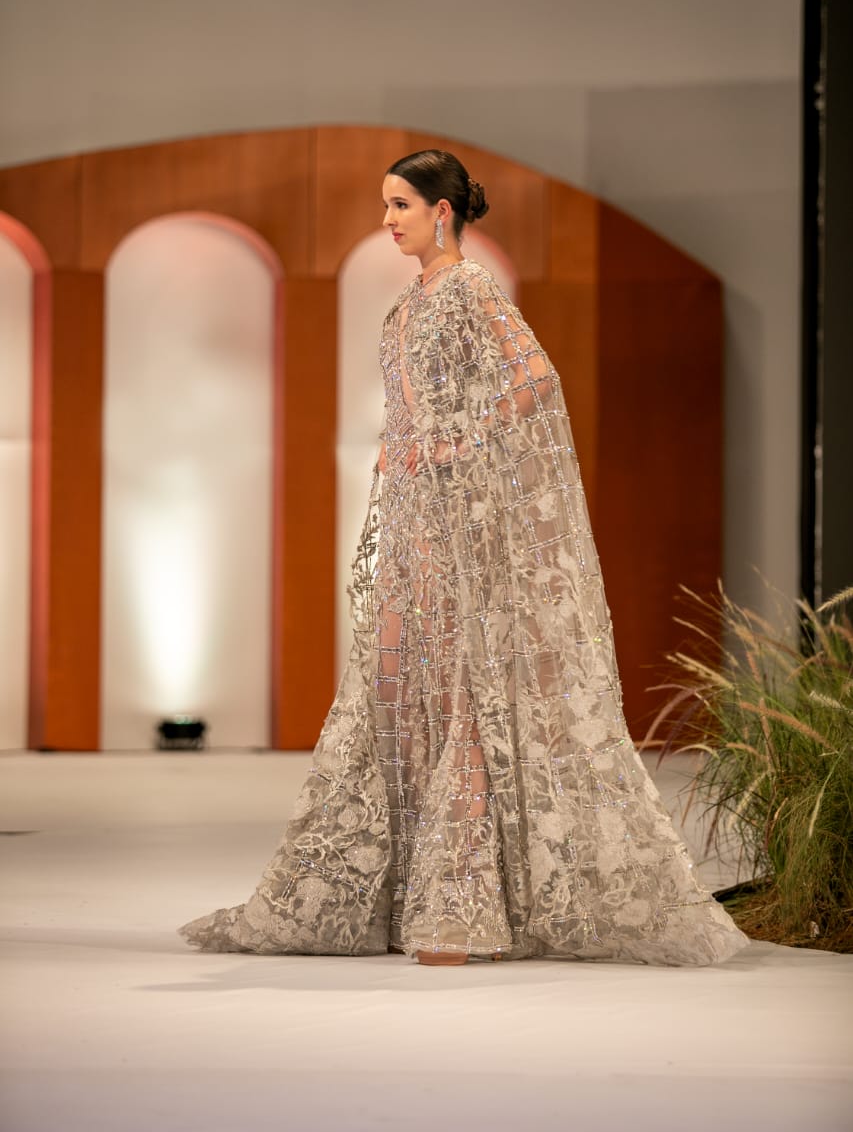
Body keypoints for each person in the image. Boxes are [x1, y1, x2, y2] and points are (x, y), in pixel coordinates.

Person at [179, 149, 749, 968]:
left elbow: (534, 380)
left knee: (463, 688)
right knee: (404, 685)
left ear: (441, 210)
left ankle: (461, 908)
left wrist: (454, 440)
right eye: (384, 204)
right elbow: (415, 403)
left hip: (464, 529)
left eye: (400, 205)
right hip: (417, 528)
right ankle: (404, 895)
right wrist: (399, 447)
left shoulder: (469, 288)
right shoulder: (409, 301)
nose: (387, 220)